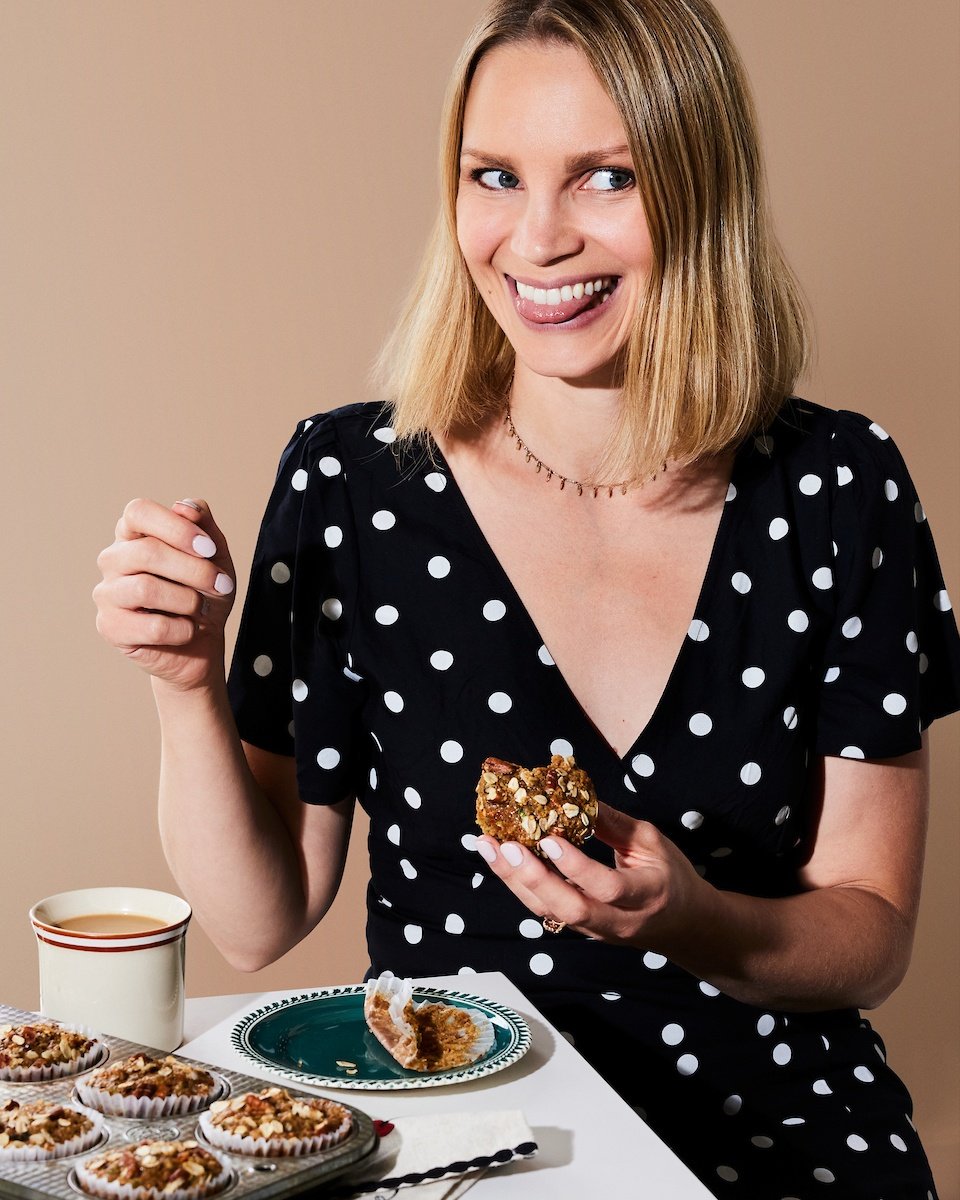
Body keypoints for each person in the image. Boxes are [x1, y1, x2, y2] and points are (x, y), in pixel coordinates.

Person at [94, 1, 960, 1195]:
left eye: (605, 179)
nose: (534, 239)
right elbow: (260, 918)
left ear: (702, 191)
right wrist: (185, 683)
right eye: (493, 176)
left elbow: (871, 935)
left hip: (773, 1134)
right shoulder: (354, 479)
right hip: (461, 1135)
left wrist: (691, 917)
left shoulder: (840, 485)